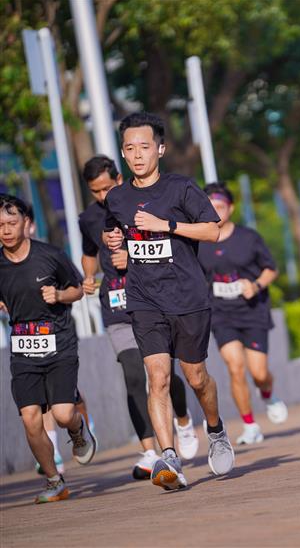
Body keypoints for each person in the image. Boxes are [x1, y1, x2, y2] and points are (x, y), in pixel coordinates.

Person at [103, 112, 234, 489]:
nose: (137, 154)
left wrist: (166, 225)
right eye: (130, 148)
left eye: (144, 147)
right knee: (157, 377)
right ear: (123, 153)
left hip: (187, 297)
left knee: (196, 377)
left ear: (159, 149)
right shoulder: (117, 197)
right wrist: (115, 241)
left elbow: (212, 231)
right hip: (144, 299)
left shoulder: (181, 188)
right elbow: (115, 232)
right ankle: (169, 457)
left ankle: (216, 430)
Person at [79, 155, 198, 479]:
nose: (102, 196)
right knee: (133, 374)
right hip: (117, 304)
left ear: (119, 180)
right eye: (95, 191)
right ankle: (149, 450)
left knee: (162, 374)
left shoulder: (141, 204)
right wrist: (88, 276)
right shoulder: (88, 218)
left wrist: (129, 255)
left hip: (154, 298)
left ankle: (183, 419)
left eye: (106, 188)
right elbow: (89, 253)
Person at [0, 194, 97, 503]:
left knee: (63, 413)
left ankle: (78, 430)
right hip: (23, 349)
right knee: (31, 418)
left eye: (11, 223)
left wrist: (59, 295)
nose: (6, 230)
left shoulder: (50, 256)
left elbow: (78, 289)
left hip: (59, 344)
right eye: (0, 225)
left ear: (26, 223)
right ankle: (55, 480)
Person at [198, 183, 287, 445]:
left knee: (259, 373)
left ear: (231, 208)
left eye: (220, 206)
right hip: (221, 313)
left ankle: (268, 393)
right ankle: (249, 425)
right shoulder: (199, 242)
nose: (216, 212)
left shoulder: (248, 237)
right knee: (235, 367)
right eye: (210, 207)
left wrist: (256, 285)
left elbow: (271, 269)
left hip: (252, 310)